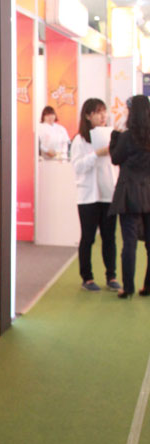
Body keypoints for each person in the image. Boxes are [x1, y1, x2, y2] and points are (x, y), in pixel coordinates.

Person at [70, 98, 120, 292]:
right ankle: (87, 277)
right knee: (88, 238)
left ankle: (111, 276)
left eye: (104, 111)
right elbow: (78, 166)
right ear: (88, 116)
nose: (102, 116)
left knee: (109, 238)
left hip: (108, 193)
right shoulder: (80, 140)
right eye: (98, 112)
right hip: (88, 197)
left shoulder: (111, 136)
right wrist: (96, 154)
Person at [109, 95, 150, 298]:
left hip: (128, 194)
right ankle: (148, 286)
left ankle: (128, 287)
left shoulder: (126, 137)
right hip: (148, 191)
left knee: (129, 243)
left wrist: (114, 136)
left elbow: (115, 159)